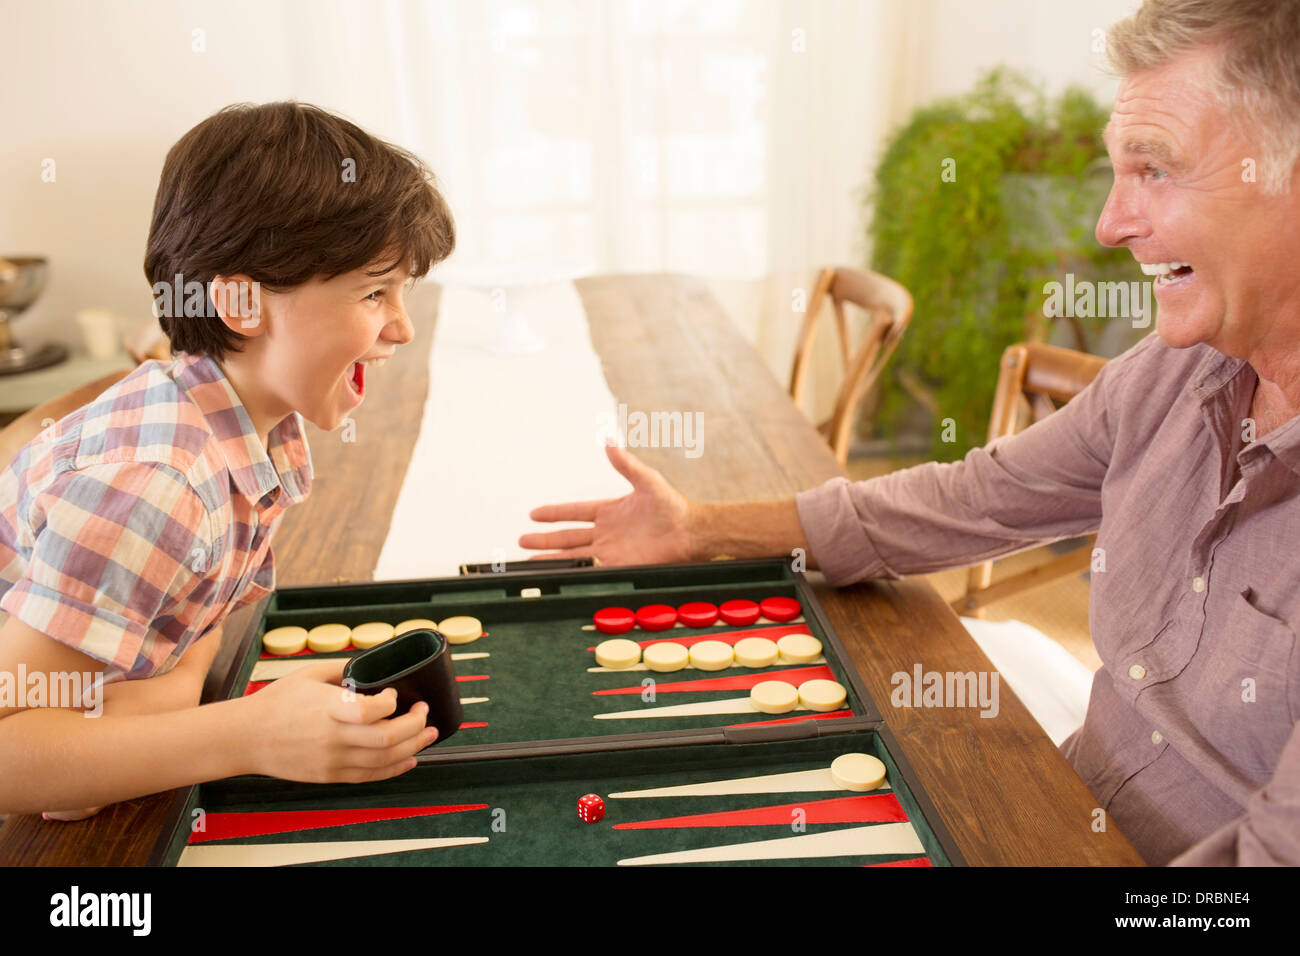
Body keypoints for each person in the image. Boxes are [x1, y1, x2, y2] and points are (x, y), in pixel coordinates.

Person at [521, 0, 1300, 866]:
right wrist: (701, 530)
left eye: (1155, 170)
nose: (1109, 225)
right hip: (1050, 809)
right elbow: (972, 499)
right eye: (1117, 173)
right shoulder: (1169, 373)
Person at [0, 102, 455, 818]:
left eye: (403, 292)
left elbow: (197, 619)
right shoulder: (157, 486)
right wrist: (243, 734)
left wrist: (162, 709)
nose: (402, 326)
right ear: (241, 302)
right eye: (373, 292)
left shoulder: (250, 429)